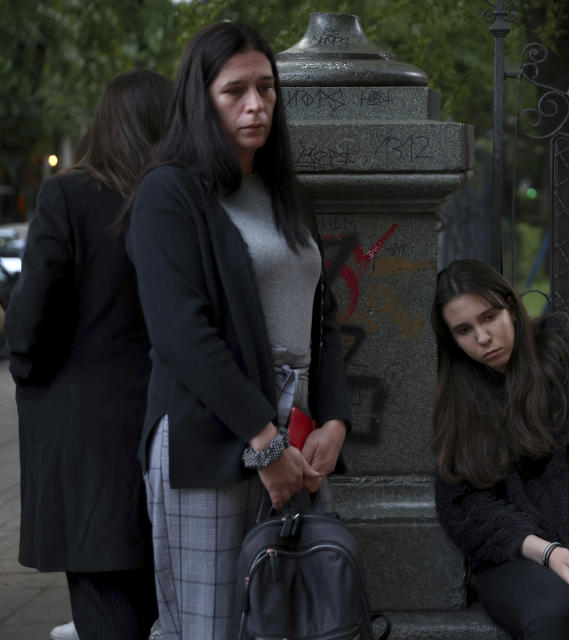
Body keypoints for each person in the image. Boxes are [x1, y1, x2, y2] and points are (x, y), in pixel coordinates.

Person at [125, 21, 351, 640]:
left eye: (266, 87)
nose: (256, 105)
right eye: (234, 92)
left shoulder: (284, 193)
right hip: (211, 434)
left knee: (296, 617)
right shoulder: (168, 193)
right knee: (212, 625)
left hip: (297, 433)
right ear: (200, 98)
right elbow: (182, 337)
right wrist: (263, 442)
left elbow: (321, 314)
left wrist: (333, 420)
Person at [6, 68, 172, 640]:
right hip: (170, 430)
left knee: (105, 607)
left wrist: (25, 367)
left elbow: (31, 318)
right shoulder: (181, 201)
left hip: (83, 443)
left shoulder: (70, 195)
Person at [432, 259, 569, 639]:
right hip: (517, 555)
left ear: (511, 307)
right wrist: (548, 553)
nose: (483, 338)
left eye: (489, 317)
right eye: (465, 330)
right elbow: (467, 506)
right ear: (451, 339)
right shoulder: (457, 402)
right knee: (553, 612)